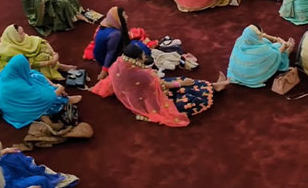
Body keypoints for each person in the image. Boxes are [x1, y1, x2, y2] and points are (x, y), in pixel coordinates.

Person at [91, 44, 228, 126]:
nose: (145, 57)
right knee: (186, 89)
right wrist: (179, 83)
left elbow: (109, 82)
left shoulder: (118, 64)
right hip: (147, 98)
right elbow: (160, 85)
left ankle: (214, 85)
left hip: (136, 91)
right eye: (143, 56)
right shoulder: (141, 74)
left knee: (182, 81)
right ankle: (214, 86)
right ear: (137, 59)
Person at [0, 55, 81, 129]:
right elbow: (47, 98)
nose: (30, 66)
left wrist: (53, 85)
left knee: (35, 76)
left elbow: (34, 73)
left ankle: (44, 114)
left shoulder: (7, 73)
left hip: (9, 105)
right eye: (28, 65)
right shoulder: (18, 86)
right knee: (49, 99)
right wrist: (60, 88)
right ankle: (61, 103)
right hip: (19, 112)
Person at [0, 25, 74, 81]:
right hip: (22, 67)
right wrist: (50, 62)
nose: (24, 34)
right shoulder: (8, 51)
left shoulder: (21, 39)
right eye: (21, 33)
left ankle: (58, 66)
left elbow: (41, 41)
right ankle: (54, 71)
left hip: (33, 60)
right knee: (42, 57)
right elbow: (27, 64)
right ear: (14, 36)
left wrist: (53, 53)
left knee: (43, 48)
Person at [227, 25, 293, 88]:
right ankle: (287, 53)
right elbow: (277, 53)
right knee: (277, 47)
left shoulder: (240, 40)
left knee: (265, 41)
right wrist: (284, 44)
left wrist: (273, 38)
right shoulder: (263, 50)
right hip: (253, 78)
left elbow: (262, 37)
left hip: (236, 74)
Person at [91, 7, 131, 81]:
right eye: (124, 15)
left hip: (98, 55)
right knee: (138, 47)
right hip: (104, 59)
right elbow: (110, 53)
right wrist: (104, 70)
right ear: (117, 19)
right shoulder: (116, 34)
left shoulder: (106, 23)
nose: (127, 17)